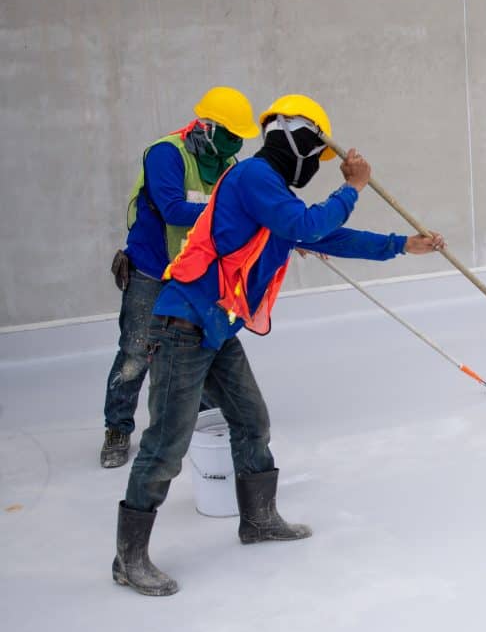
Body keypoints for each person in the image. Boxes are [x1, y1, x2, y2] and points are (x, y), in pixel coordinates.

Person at [112, 94, 446, 596]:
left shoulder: (273, 195)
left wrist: (400, 245)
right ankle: (128, 559)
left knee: (252, 420)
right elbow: (307, 225)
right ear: (299, 143)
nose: (315, 165)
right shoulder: (254, 177)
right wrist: (352, 187)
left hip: (216, 326)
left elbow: (326, 237)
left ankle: (258, 520)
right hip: (183, 326)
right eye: (316, 154)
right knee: (165, 445)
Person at [101, 87, 260, 469]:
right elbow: (173, 209)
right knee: (136, 351)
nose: (236, 143)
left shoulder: (227, 161)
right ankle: (117, 428)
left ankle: (198, 420)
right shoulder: (165, 154)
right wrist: (235, 213)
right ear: (207, 127)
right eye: (231, 134)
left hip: (194, 274)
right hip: (152, 269)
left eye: (240, 136)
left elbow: (242, 209)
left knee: (196, 348)